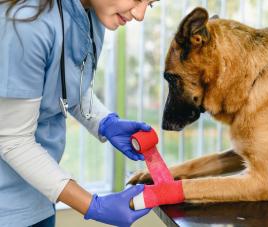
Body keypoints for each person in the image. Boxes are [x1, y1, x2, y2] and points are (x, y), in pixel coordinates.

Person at [0, 0, 159, 226]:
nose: (141, 14)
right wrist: (93, 205)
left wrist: (105, 122)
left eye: (151, 4)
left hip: (40, 195)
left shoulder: (92, 15)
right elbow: (13, 140)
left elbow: (64, 84)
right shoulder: (25, 25)